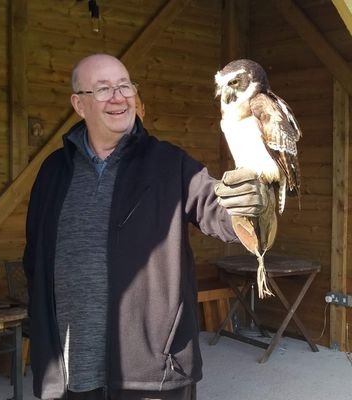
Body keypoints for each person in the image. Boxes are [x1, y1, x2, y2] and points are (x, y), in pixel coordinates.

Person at [23, 53, 268, 400]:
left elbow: (222, 214)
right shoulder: (52, 171)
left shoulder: (170, 163)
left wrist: (249, 203)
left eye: (125, 86)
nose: (119, 96)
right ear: (79, 104)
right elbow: (34, 256)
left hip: (153, 369)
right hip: (68, 367)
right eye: (104, 88)